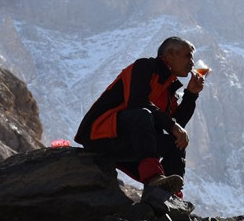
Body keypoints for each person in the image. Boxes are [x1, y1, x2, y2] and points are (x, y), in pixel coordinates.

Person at [74, 37, 205, 197]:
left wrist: (191, 95)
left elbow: (176, 125)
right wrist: (172, 126)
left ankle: (168, 196)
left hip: (130, 142)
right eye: (188, 56)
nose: (192, 62)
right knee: (142, 114)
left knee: (177, 142)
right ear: (170, 54)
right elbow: (136, 102)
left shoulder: (169, 87)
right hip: (100, 135)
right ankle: (153, 176)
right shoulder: (144, 67)